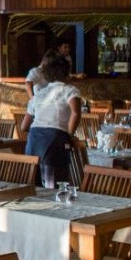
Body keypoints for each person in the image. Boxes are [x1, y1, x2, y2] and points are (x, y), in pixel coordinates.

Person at [21, 55, 82, 187]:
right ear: (67, 72)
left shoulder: (38, 94)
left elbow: (24, 126)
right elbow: (76, 112)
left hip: (33, 141)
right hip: (55, 140)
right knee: (55, 187)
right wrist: (70, 134)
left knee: (33, 187)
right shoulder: (69, 90)